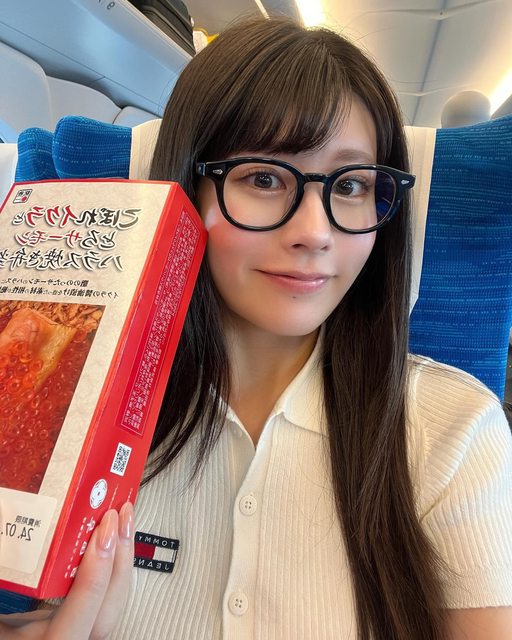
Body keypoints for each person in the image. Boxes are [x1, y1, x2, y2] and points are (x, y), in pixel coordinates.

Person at [1, 15, 512, 640]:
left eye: (351, 184)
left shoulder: (454, 428)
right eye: (263, 178)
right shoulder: (70, 399)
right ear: (189, 188)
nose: (314, 233)